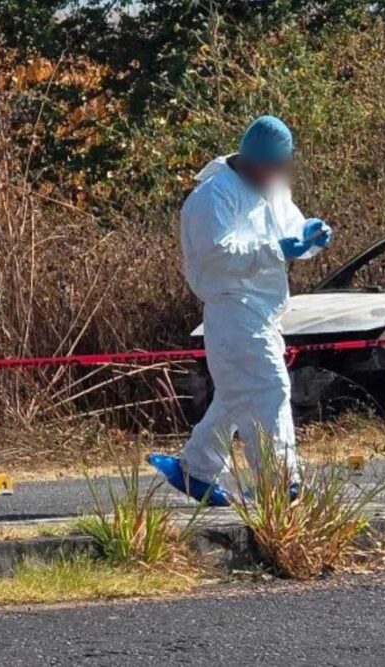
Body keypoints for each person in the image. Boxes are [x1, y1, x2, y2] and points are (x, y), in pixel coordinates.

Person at [148, 115, 332, 505]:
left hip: (264, 309)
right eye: (269, 166)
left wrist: (312, 235)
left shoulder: (273, 187)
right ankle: (280, 482)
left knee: (237, 394)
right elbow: (217, 255)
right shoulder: (213, 196)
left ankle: (195, 470)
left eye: (280, 167)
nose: (274, 174)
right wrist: (275, 250)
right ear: (249, 159)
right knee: (270, 387)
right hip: (232, 308)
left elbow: (292, 231)